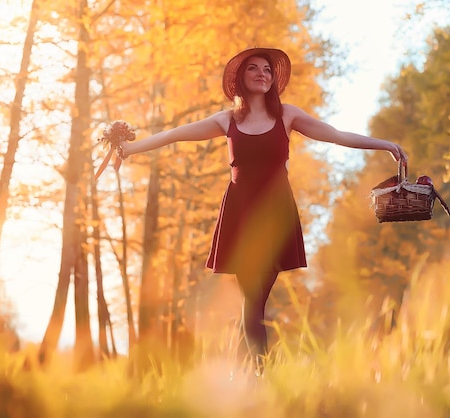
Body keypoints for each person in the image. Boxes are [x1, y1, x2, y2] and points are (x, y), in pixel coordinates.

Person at [118, 47, 408, 372]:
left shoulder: (288, 116)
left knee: (254, 299)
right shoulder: (226, 120)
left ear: (273, 79)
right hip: (239, 214)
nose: (262, 73)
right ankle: (256, 375)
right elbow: (174, 135)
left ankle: (249, 375)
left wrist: (385, 145)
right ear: (241, 78)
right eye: (253, 69)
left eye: (267, 69)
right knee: (252, 299)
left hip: (275, 215)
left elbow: (336, 136)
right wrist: (129, 149)